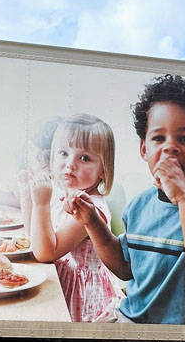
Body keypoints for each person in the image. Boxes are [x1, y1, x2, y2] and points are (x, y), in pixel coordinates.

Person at [68, 74, 185, 324]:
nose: (170, 148)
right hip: (134, 321)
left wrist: (184, 199)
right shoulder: (139, 205)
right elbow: (125, 267)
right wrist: (92, 222)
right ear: (144, 149)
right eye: (159, 138)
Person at [19, 114, 121, 322]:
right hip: (62, 281)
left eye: (84, 158)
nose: (70, 164)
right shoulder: (63, 194)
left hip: (83, 297)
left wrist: (41, 204)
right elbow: (34, 237)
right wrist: (27, 194)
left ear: (104, 170)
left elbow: (46, 253)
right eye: (63, 153)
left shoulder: (88, 208)